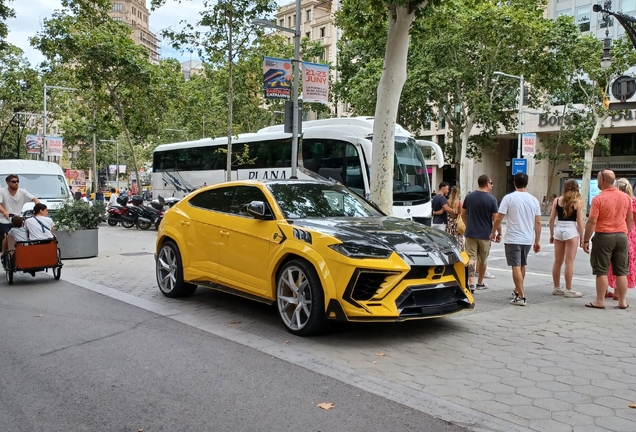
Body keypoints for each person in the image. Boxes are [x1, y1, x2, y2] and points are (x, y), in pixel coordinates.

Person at [583, 170, 633, 310]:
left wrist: (586, 240)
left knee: (601, 270)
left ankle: (600, 301)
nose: (598, 181)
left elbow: (592, 221)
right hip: (622, 236)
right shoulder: (625, 197)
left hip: (604, 235)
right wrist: (625, 232)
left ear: (602, 180)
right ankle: (622, 301)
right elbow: (629, 220)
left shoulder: (598, 199)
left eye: (598, 179)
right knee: (621, 271)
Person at [491, 173, 541, 306]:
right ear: (527, 183)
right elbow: (538, 222)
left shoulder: (509, 198)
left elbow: (499, 218)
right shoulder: (534, 200)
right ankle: (517, 290)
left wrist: (493, 232)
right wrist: (537, 240)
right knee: (522, 264)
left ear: (514, 183)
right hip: (527, 238)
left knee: (516, 265)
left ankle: (521, 296)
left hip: (513, 238)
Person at [462, 174, 499, 292]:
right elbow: (496, 218)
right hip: (485, 234)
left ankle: (470, 282)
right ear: (487, 183)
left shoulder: (469, 197)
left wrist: (467, 225)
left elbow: (463, 214)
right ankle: (480, 282)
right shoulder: (492, 199)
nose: (492, 185)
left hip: (470, 232)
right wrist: (498, 232)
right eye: (491, 183)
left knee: (471, 258)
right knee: (483, 259)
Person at [549, 179, 584, 298]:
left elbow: (551, 219)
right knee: (569, 262)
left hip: (559, 229)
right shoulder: (577, 202)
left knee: (557, 261)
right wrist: (582, 238)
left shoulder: (557, 200)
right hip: (571, 230)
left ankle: (557, 287)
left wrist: (551, 234)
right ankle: (569, 289)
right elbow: (580, 222)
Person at [607, 178, 636, 297]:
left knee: (613, 261)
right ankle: (620, 292)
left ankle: (616, 291)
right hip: (631, 233)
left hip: (616, 230)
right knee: (626, 263)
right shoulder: (633, 201)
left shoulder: (616, 200)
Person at [445, 186, 464, 251]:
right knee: (458, 236)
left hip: (450, 220)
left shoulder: (447, 201)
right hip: (456, 221)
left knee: (450, 235)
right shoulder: (459, 202)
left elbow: (446, 210)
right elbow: (461, 212)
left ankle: (450, 249)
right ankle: (459, 250)